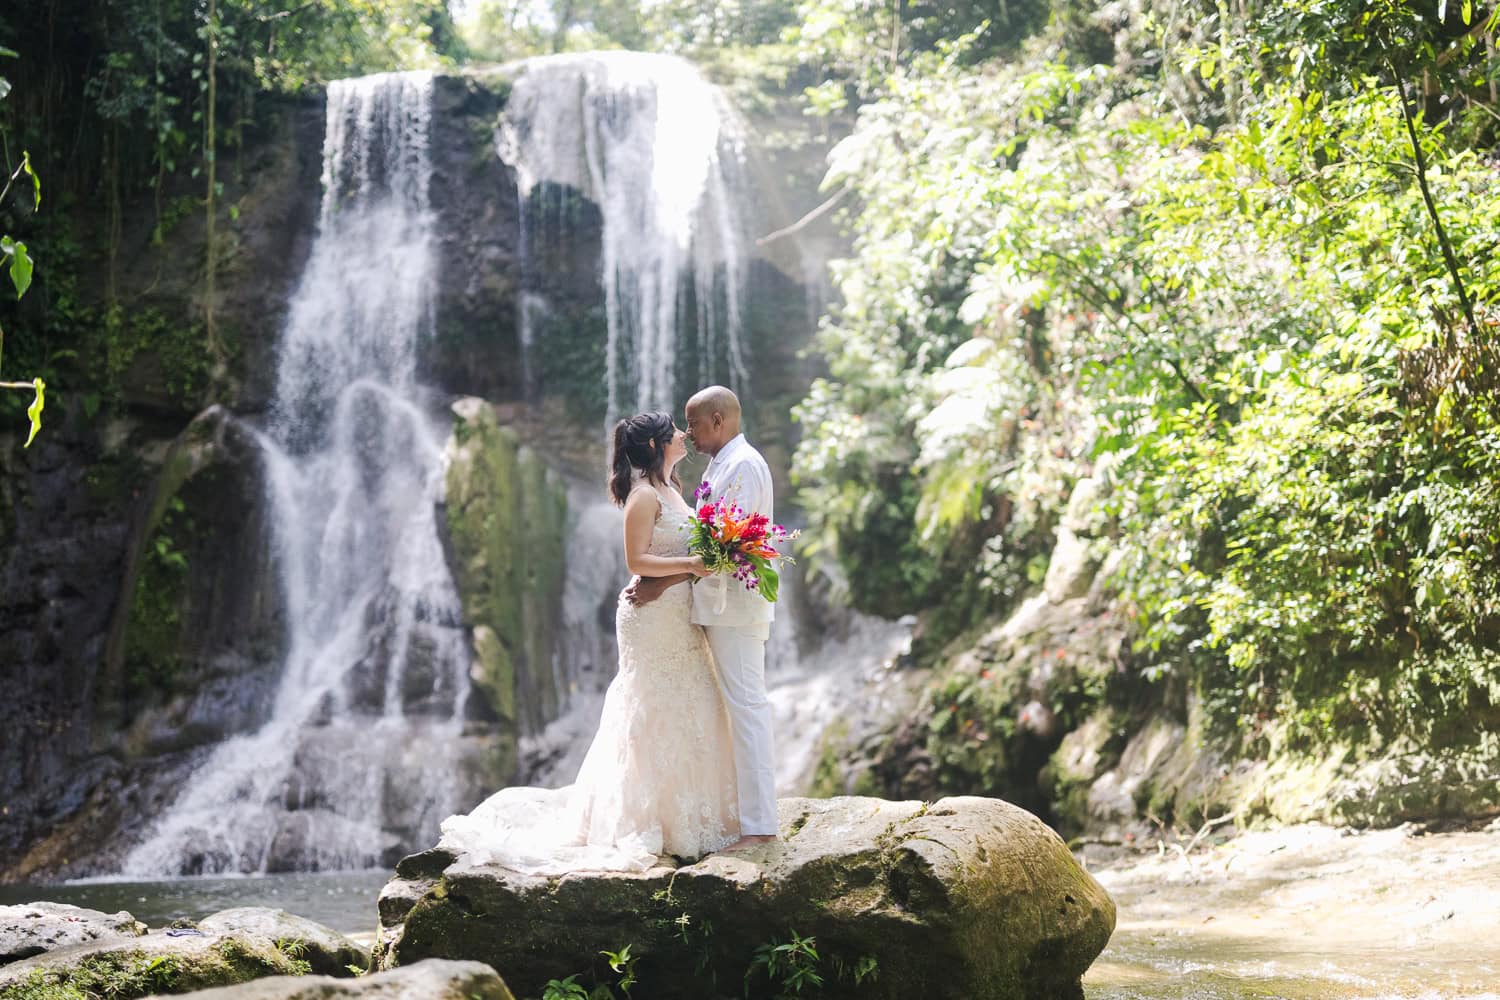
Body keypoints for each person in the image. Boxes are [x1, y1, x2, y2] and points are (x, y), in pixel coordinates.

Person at [439, 411, 740, 872]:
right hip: (653, 618)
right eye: (675, 432)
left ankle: (690, 816)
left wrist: (701, 565)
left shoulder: (674, 490)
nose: (684, 435)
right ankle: (647, 820)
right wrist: (694, 566)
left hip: (678, 612)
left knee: (691, 699)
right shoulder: (642, 496)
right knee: (652, 704)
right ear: (659, 445)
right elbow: (636, 560)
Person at [626, 386, 778, 851]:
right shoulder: (719, 465)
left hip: (733, 610)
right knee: (734, 709)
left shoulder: (744, 465)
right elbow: (705, 550)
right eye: (681, 427)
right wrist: (669, 579)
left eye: (692, 424)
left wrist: (664, 581)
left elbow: (726, 551)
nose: (687, 434)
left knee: (747, 707)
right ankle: (743, 817)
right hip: (712, 608)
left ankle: (759, 826)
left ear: (718, 419)